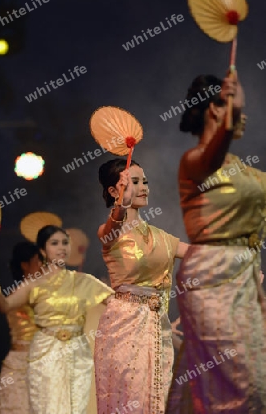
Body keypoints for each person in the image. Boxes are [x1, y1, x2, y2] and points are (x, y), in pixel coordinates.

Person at [166, 73, 266, 413]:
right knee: (232, 377)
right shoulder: (194, 162)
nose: (244, 116)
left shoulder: (243, 169)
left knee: (255, 377)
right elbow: (212, 155)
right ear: (214, 108)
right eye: (236, 108)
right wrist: (232, 115)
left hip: (246, 276)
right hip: (210, 276)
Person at [0, 225, 114, 414]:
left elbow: (119, 305)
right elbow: (5, 306)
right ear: (43, 250)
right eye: (55, 243)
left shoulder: (85, 281)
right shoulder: (34, 284)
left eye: (65, 243)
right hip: (45, 353)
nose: (62, 248)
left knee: (76, 409)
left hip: (78, 353)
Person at [94, 158, 189, 413]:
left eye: (144, 181)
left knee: (158, 397)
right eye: (134, 181)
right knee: (130, 397)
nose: (144, 186)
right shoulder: (109, 232)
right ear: (114, 191)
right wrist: (120, 209)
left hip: (157, 327)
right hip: (123, 327)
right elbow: (111, 227)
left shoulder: (159, 236)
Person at [0, 241, 42, 414]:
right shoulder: (25, 291)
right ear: (25, 265)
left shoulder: (36, 290)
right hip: (21, 363)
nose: (41, 266)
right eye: (37, 261)